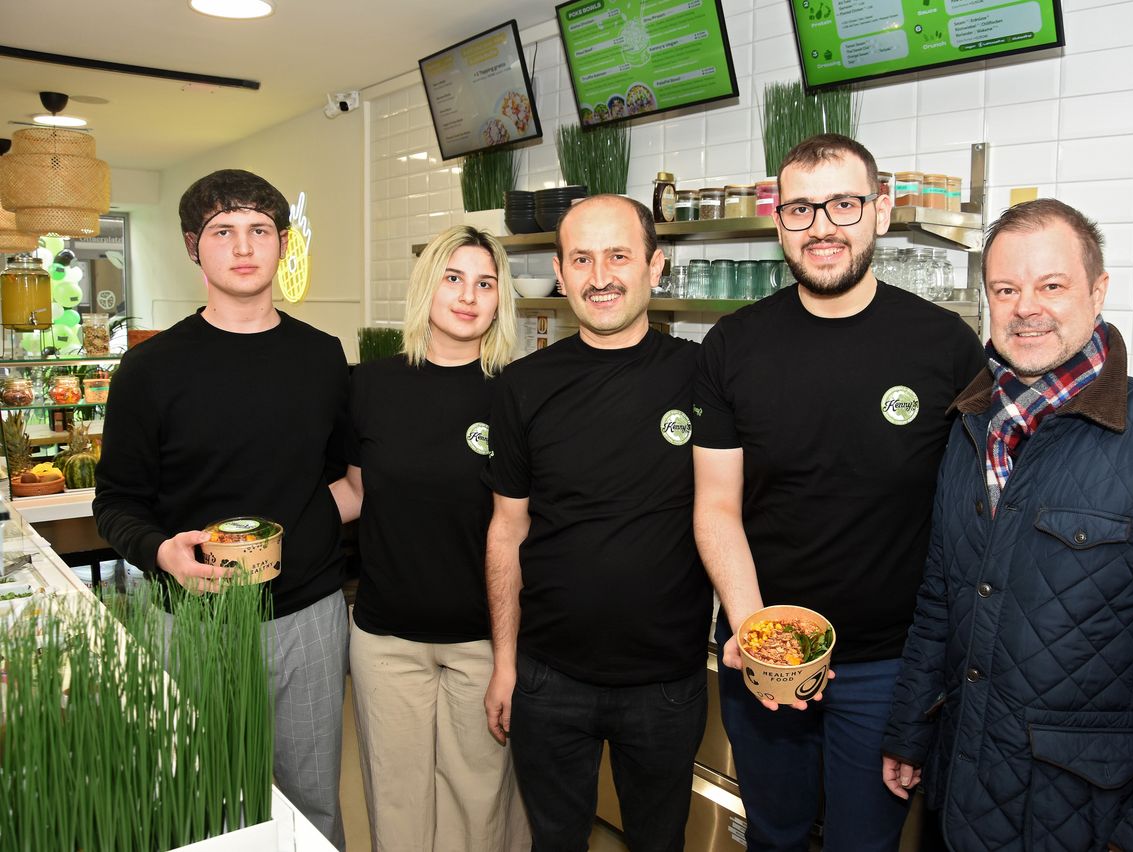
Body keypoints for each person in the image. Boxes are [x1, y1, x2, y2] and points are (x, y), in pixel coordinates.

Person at [880, 198, 1133, 851]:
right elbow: (941, 599)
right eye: (1006, 288)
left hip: (1086, 820)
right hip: (962, 795)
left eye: (1051, 285)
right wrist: (911, 729)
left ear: (1098, 291)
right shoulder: (972, 428)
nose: (1027, 306)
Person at [692, 133, 985, 851]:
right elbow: (715, 507)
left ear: (881, 211)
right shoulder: (732, 345)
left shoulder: (946, 345)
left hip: (891, 667)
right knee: (776, 834)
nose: (822, 226)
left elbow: (973, 517)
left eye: (844, 204)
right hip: (765, 650)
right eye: (800, 209)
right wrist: (759, 636)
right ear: (779, 221)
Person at [93, 169, 351, 848]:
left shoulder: (324, 358)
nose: (243, 246)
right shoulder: (150, 371)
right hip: (192, 620)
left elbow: (343, 482)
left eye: (260, 230)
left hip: (310, 618)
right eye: (223, 231)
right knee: (206, 805)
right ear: (192, 247)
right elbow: (116, 501)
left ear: (283, 243)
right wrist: (158, 551)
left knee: (313, 804)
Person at [482, 194, 712, 852]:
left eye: (618, 255)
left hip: (666, 681)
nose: (600, 275)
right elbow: (506, 532)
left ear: (656, 267)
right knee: (555, 841)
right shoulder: (521, 387)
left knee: (658, 841)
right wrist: (505, 663)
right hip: (550, 677)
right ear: (560, 272)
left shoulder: (701, 377)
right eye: (582, 258)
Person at [327, 225, 528, 852]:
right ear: (427, 286)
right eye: (454, 278)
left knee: (479, 804)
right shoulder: (368, 386)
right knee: (397, 806)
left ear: (500, 300)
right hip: (386, 638)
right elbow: (355, 494)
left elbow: (524, 529)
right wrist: (259, 519)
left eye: (485, 283)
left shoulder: (519, 393)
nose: (469, 296)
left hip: (482, 641)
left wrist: (510, 658)